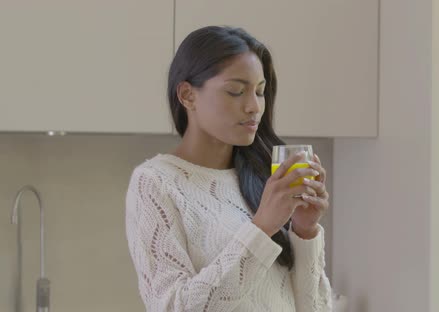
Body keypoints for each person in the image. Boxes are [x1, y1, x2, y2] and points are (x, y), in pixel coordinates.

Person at [125, 26, 332, 311]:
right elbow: (172, 307)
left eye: (260, 92)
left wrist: (305, 231)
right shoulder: (155, 182)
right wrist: (263, 227)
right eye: (236, 91)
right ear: (187, 95)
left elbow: (315, 308)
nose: (254, 107)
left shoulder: (262, 178)